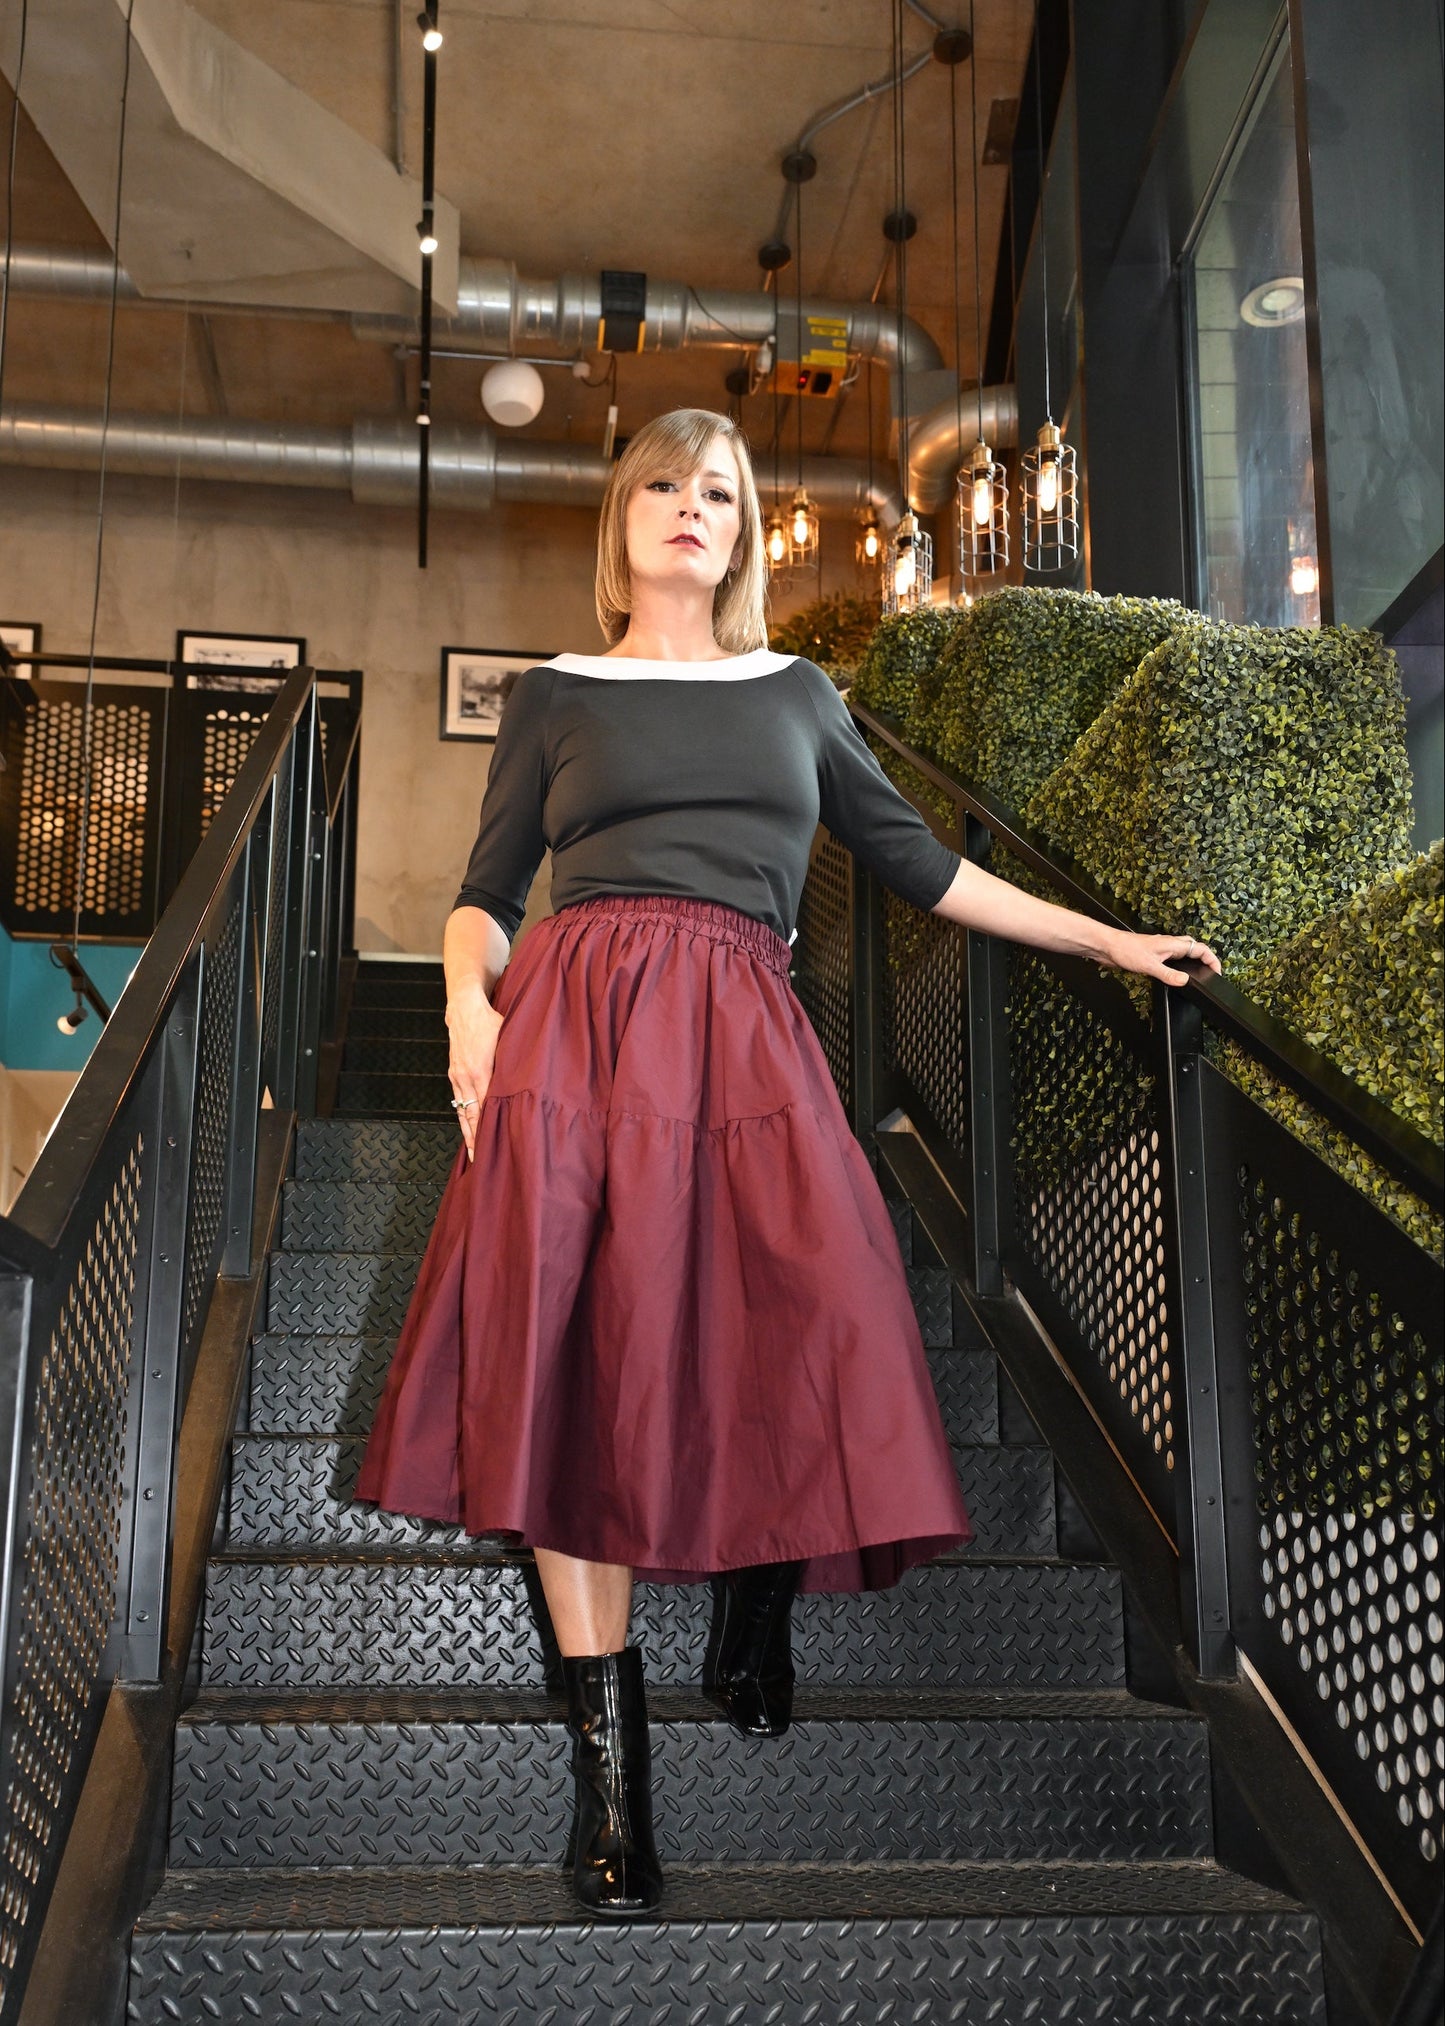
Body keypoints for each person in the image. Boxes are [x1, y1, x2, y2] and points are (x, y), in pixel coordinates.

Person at [353, 405, 1222, 1920]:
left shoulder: (800, 691)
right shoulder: (558, 694)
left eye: (719, 490)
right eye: (664, 486)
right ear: (621, 518)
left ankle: (759, 1586)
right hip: (573, 1037)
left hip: (744, 1029)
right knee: (571, 1381)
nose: (691, 508)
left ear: (744, 527)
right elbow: (487, 887)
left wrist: (1107, 935)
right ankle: (616, 1802)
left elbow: (925, 868)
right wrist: (460, 1004)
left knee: (815, 1308)